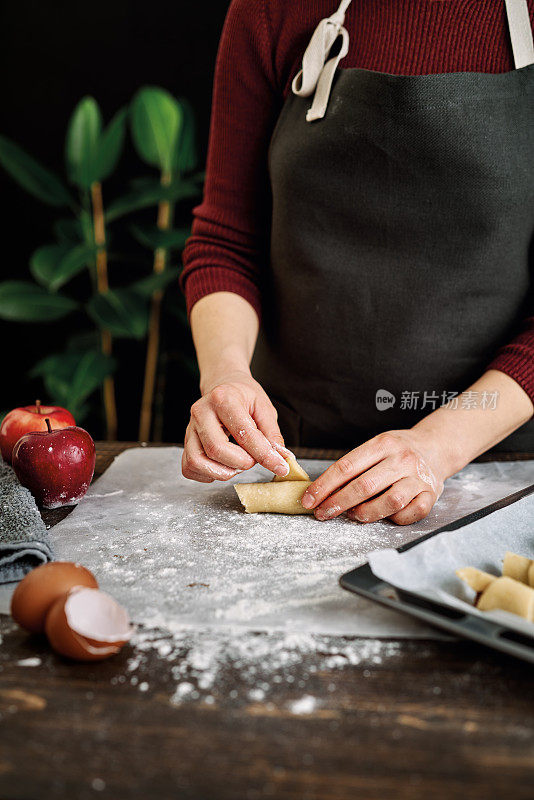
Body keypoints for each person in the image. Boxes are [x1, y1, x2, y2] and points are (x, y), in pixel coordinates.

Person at [180, 0, 534, 525]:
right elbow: (227, 241)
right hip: (299, 451)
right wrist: (227, 376)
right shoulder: (271, 10)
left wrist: (437, 447)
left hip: (500, 463)